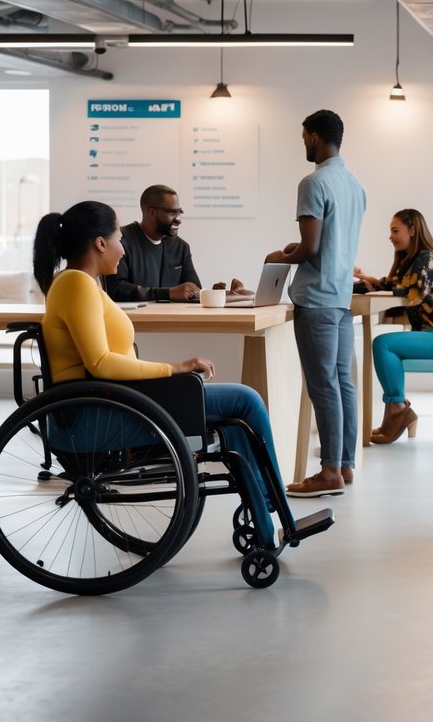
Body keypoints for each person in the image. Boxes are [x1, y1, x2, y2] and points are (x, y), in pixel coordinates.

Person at [33, 200, 279, 535]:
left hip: (111, 405)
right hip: (94, 418)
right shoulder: (75, 284)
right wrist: (175, 368)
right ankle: (274, 503)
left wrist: (172, 372)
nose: (122, 250)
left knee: (235, 422)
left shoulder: (83, 284)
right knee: (245, 399)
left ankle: (265, 520)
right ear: (100, 243)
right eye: (119, 239)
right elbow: (100, 362)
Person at [269, 110, 366, 498]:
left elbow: (311, 248)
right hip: (341, 298)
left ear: (313, 138)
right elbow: (331, 243)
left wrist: (279, 256)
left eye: (303, 137)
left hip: (316, 300)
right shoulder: (355, 185)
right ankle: (343, 465)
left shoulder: (313, 182)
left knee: (323, 385)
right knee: (343, 383)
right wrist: (301, 249)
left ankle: (327, 472)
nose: (303, 144)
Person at [353, 208, 433, 444]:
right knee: (384, 343)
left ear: (412, 231)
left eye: (395, 230)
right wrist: (365, 281)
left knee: (383, 344)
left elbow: (414, 292)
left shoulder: (426, 259)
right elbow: (391, 284)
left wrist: (374, 284)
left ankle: (397, 408)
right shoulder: (413, 261)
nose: (390, 236)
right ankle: (398, 410)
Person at [106, 184, 210, 302]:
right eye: (172, 213)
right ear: (152, 212)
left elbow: (194, 291)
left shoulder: (180, 247)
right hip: (132, 319)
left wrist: (226, 294)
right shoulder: (120, 241)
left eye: (179, 212)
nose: (178, 219)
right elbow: (115, 290)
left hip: (172, 319)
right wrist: (168, 293)